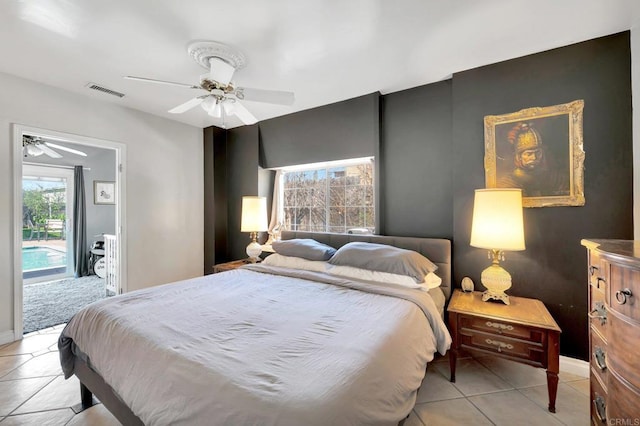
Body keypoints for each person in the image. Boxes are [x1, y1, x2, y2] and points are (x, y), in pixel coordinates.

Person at [497, 122, 568, 197]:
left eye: (537, 153)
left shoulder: (554, 178)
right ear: (518, 157)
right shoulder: (507, 183)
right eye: (528, 154)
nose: (534, 157)